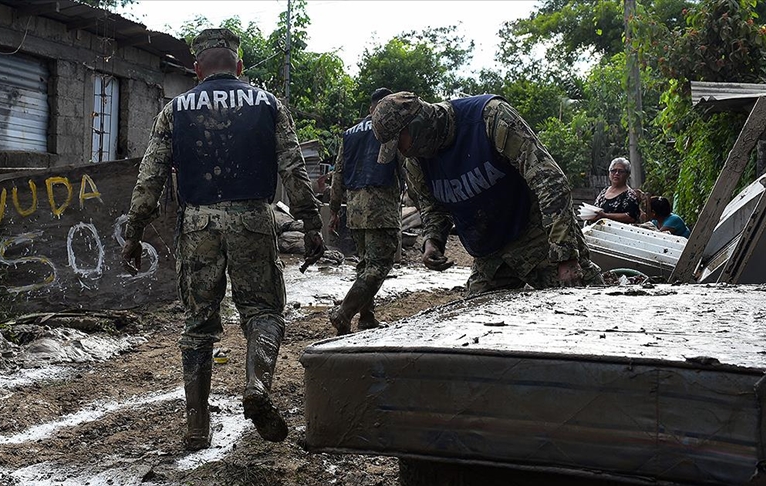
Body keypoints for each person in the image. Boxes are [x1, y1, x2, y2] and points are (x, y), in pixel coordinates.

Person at [121, 28, 324, 450]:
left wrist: (134, 233)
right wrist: (311, 223)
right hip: (253, 219)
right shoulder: (269, 104)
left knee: (198, 326)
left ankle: (197, 426)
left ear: (197, 70)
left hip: (198, 227)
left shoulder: (175, 110)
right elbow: (294, 168)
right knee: (263, 311)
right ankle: (256, 386)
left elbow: (150, 178)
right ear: (240, 66)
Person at [371, 92, 603, 295]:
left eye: (399, 142)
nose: (401, 151)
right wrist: (433, 240)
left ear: (417, 125)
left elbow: (549, 181)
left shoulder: (489, 118)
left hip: (538, 237)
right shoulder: (416, 162)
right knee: (477, 323)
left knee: (585, 309)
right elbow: (432, 206)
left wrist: (565, 255)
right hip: (490, 254)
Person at [328, 87, 404, 335]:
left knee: (364, 265)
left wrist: (333, 209)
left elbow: (338, 173)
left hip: (355, 208)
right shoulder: (391, 130)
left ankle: (367, 317)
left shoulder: (350, 134)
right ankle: (344, 313)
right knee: (378, 266)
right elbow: (406, 169)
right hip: (380, 207)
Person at [590, 157, 642, 224]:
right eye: (613, 171)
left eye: (621, 171)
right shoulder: (604, 191)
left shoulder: (630, 195)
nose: (616, 173)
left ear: (627, 174)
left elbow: (631, 217)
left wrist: (605, 216)